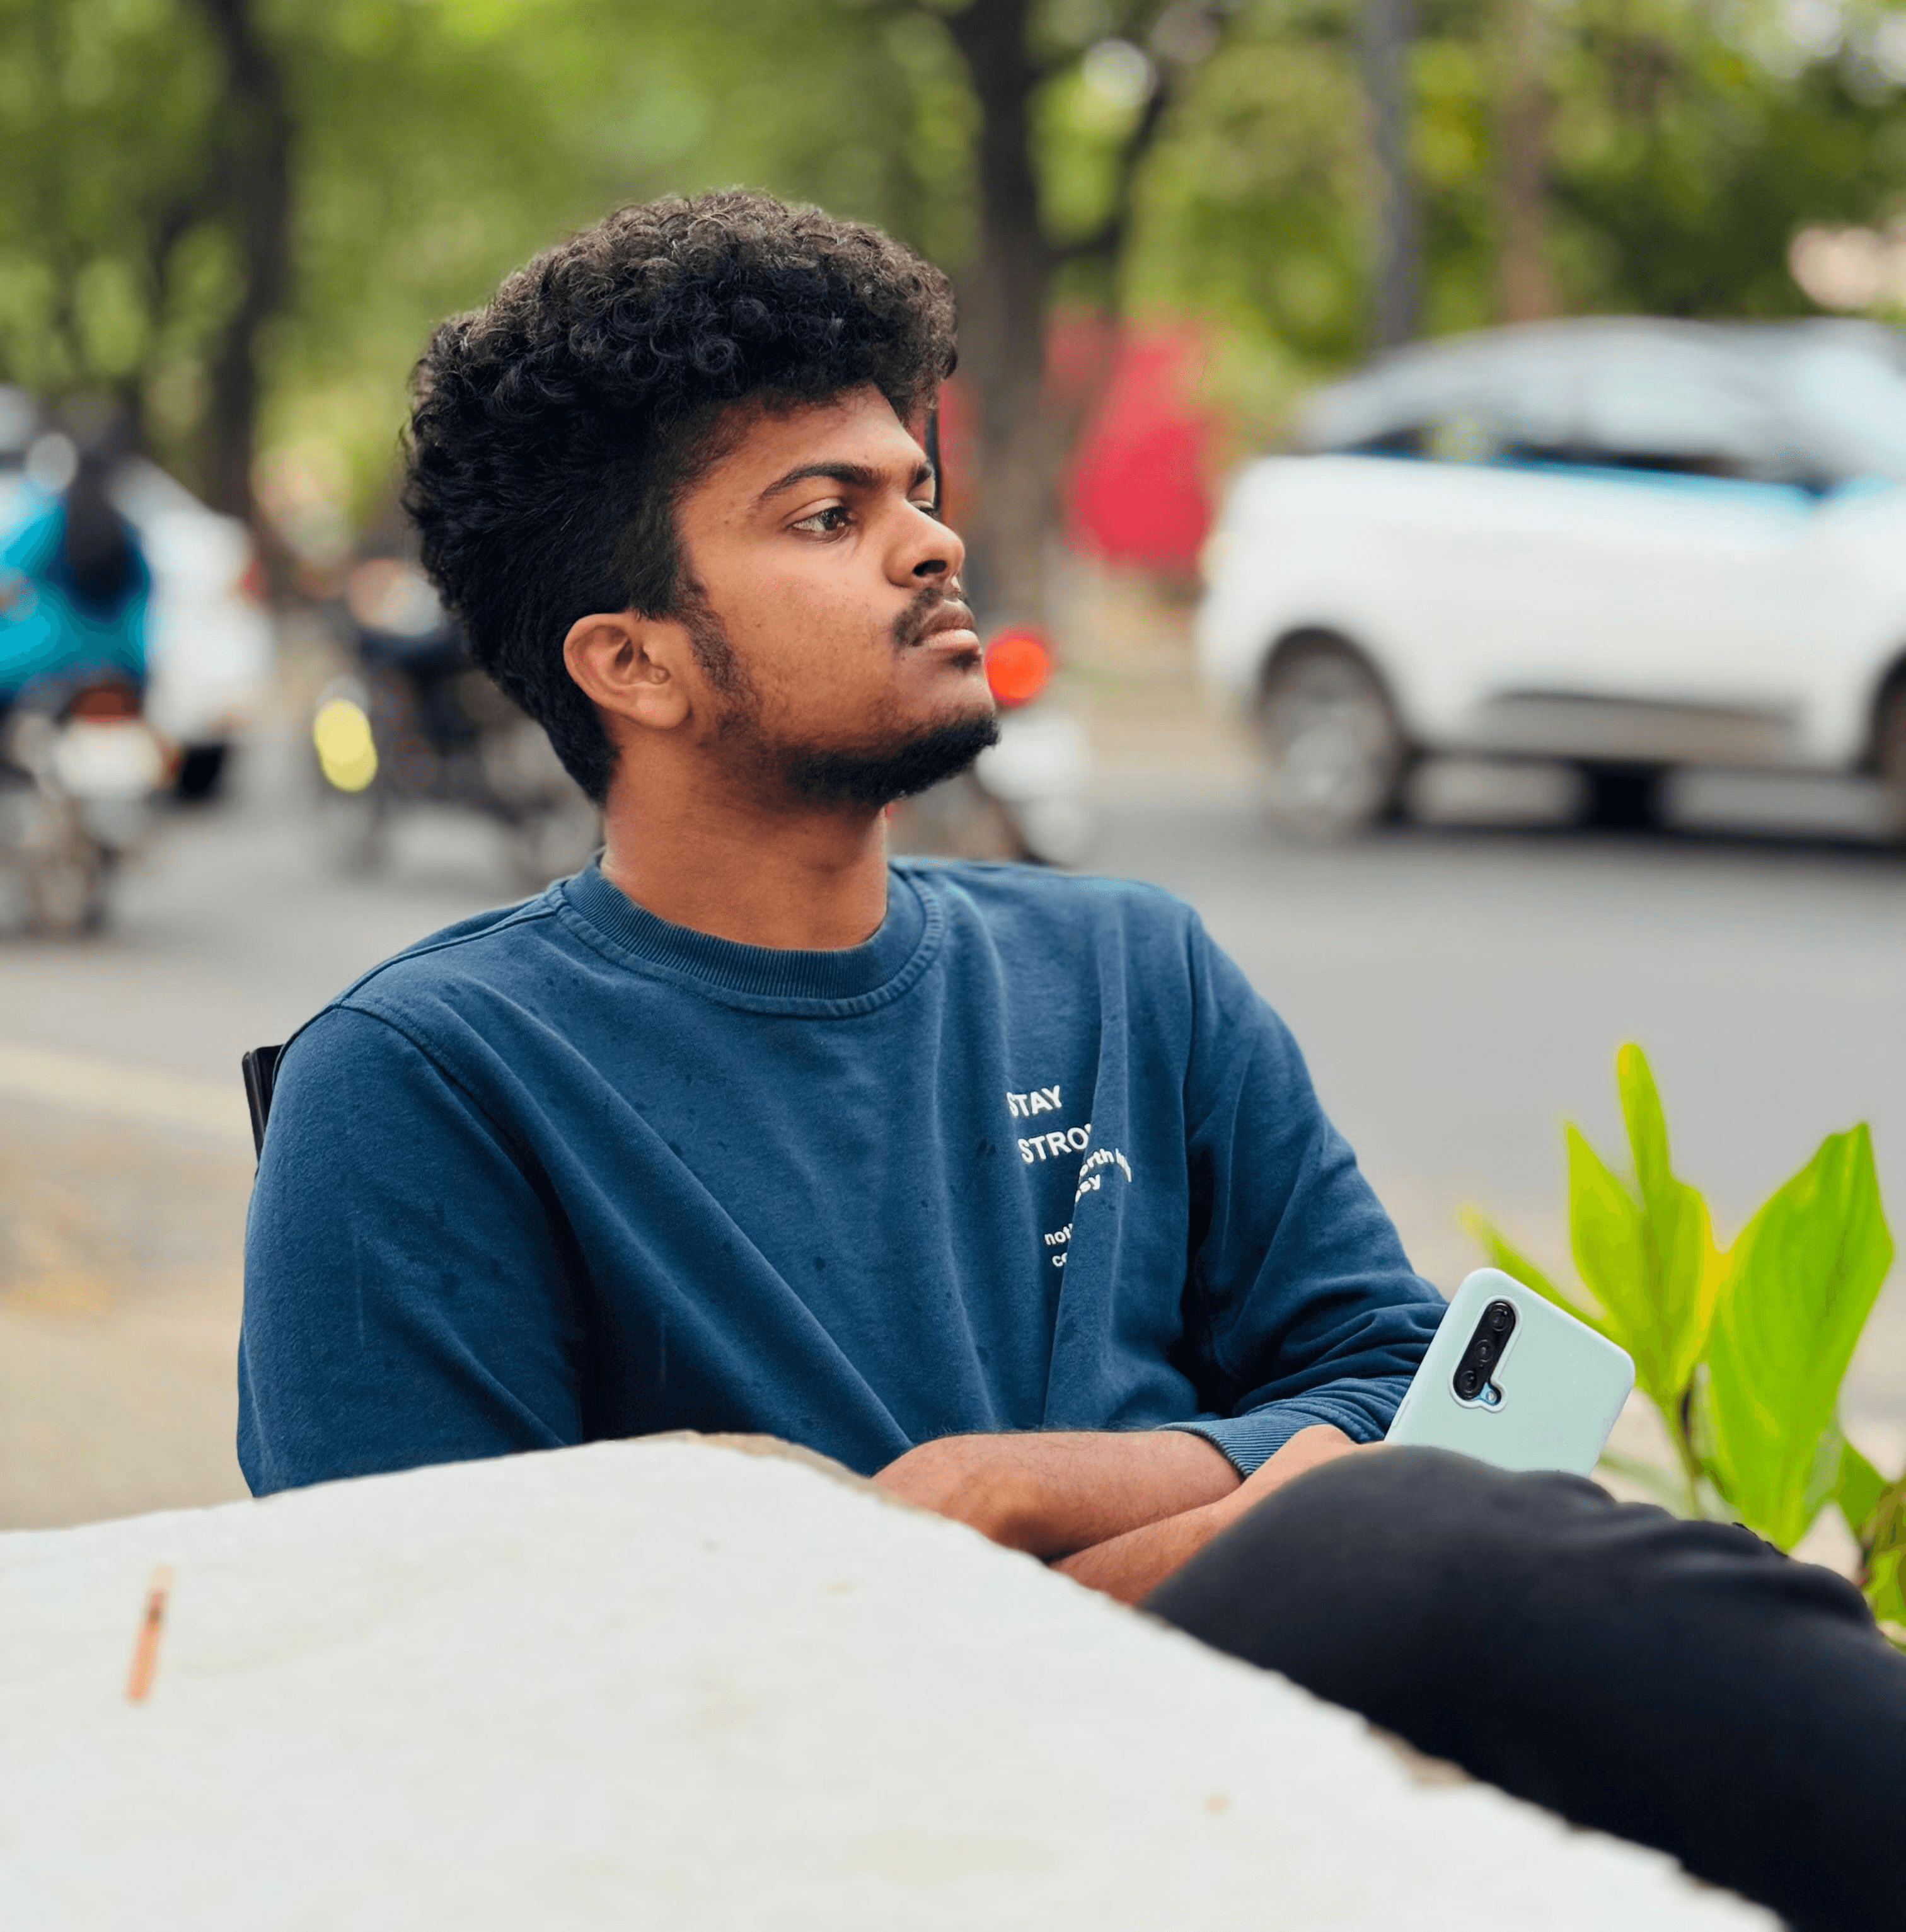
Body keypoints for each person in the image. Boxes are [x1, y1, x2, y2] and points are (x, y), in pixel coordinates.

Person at [241, 193, 1901, 1932]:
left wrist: (1016, 1491)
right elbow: (436, 1696)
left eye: (918, 492)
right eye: (828, 515)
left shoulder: (1126, 966)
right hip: (837, 1855)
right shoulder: (426, 1088)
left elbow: (1415, 1383)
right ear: (633, 662)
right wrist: (1258, 1517)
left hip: (1275, 1806)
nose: (931, 546)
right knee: (1388, 1547)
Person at [0, 434, 148, 703]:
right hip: (126, 666)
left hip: (46, 658)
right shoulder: (128, 531)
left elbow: (6, 573)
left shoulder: (51, 521)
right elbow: (145, 597)